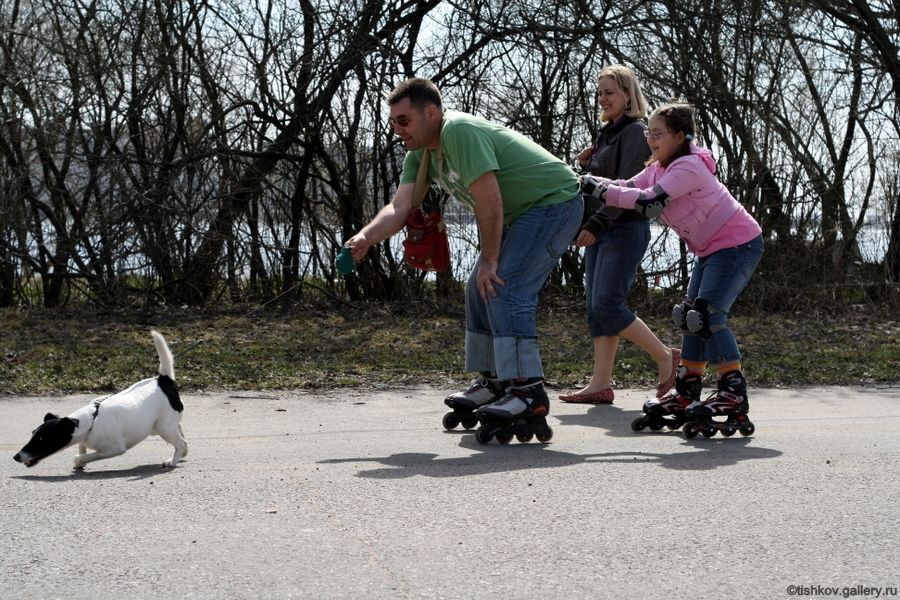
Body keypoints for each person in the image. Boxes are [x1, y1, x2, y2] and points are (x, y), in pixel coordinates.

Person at [345, 77, 583, 439]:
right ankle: (494, 381)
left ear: (431, 112)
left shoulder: (459, 132)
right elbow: (399, 207)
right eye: (393, 123)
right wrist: (366, 236)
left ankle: (527, 390)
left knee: (503, 285)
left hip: (553, 202)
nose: (398, 130)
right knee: (478, 288)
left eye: (404, 121)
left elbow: (490, 200)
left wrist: (490, 261)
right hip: (522, 214)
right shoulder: (421, 154)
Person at [581, 102, 764, 436]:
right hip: (711, 249)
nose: (650, 139)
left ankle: (732, 393)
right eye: (649, 132)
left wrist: (600, 189)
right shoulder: (658, 167)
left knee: (708, 316)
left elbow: (648, 200)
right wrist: (590, 181)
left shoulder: (689, 167)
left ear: (680, 136)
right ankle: (687, 389)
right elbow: (628, 185)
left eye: (658, 133)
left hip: (738, 243)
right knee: (689, 317)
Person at [560, 65, 679, 405]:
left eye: (610, 92)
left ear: (628, 94)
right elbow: (597, 184)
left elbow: (629, 186)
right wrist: (586, 162)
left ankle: (666, 357)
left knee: (607, 304)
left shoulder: (635, 132)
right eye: (600, 93)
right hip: (600, 229)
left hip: (623, 229)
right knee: (596, 309)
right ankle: (600, 384)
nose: (603, 98)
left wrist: (595, 224)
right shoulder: (607, 134)